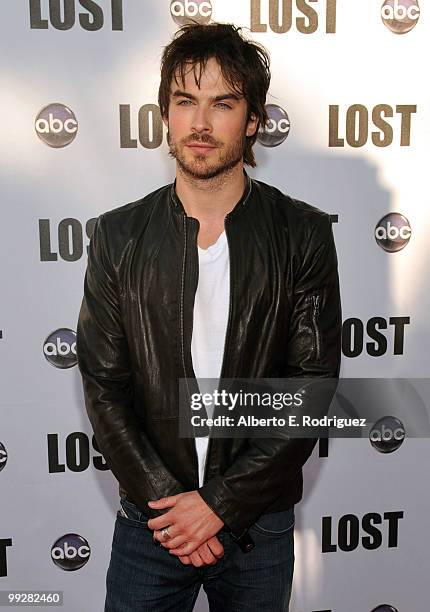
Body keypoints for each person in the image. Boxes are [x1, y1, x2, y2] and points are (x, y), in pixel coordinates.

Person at [76, 22, 342, 612]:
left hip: (257, 525)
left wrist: (220, 504)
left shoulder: (301, 235)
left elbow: (309, 390)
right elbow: (104, 387)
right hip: (153, 523)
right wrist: (173, 508)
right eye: (185, 101)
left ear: (252, 121)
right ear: (165, 115)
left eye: (222, 103)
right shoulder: (119, 235)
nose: (200, 123)